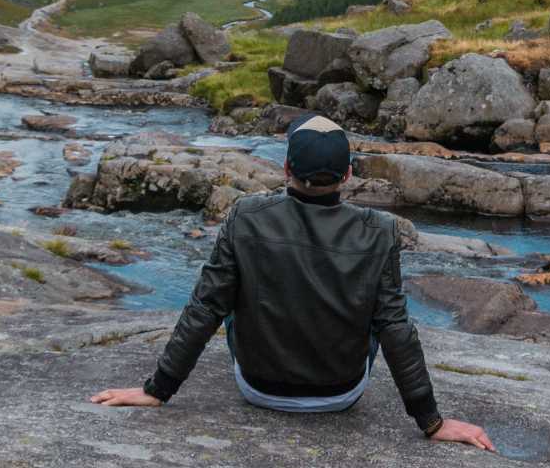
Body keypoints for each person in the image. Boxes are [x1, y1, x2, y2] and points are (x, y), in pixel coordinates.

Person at [89, 114, 495, 452]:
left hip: (259, 388)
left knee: (227, 302)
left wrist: (157, 390)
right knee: (378, 315)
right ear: (348, 175)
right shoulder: (379, 231)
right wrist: (431, 421)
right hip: (340, 394)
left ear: (286, 169)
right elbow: (394, 328)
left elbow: (205, 308)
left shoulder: (244, 216)